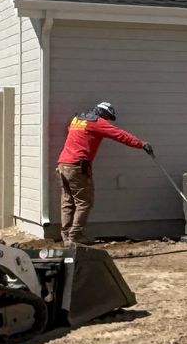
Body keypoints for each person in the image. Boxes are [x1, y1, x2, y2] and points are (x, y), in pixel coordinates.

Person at [56, 100, 151, 244]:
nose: (106, 120)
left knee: (68, 201)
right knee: (84, 202)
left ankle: (66, 236)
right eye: (107, 116)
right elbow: (119, 134)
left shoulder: (77, 119)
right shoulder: (97, 122)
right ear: (103, 112)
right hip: (77, 166)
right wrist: (141, 144)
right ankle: (75, 236)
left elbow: (73, 132)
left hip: (63, 164)